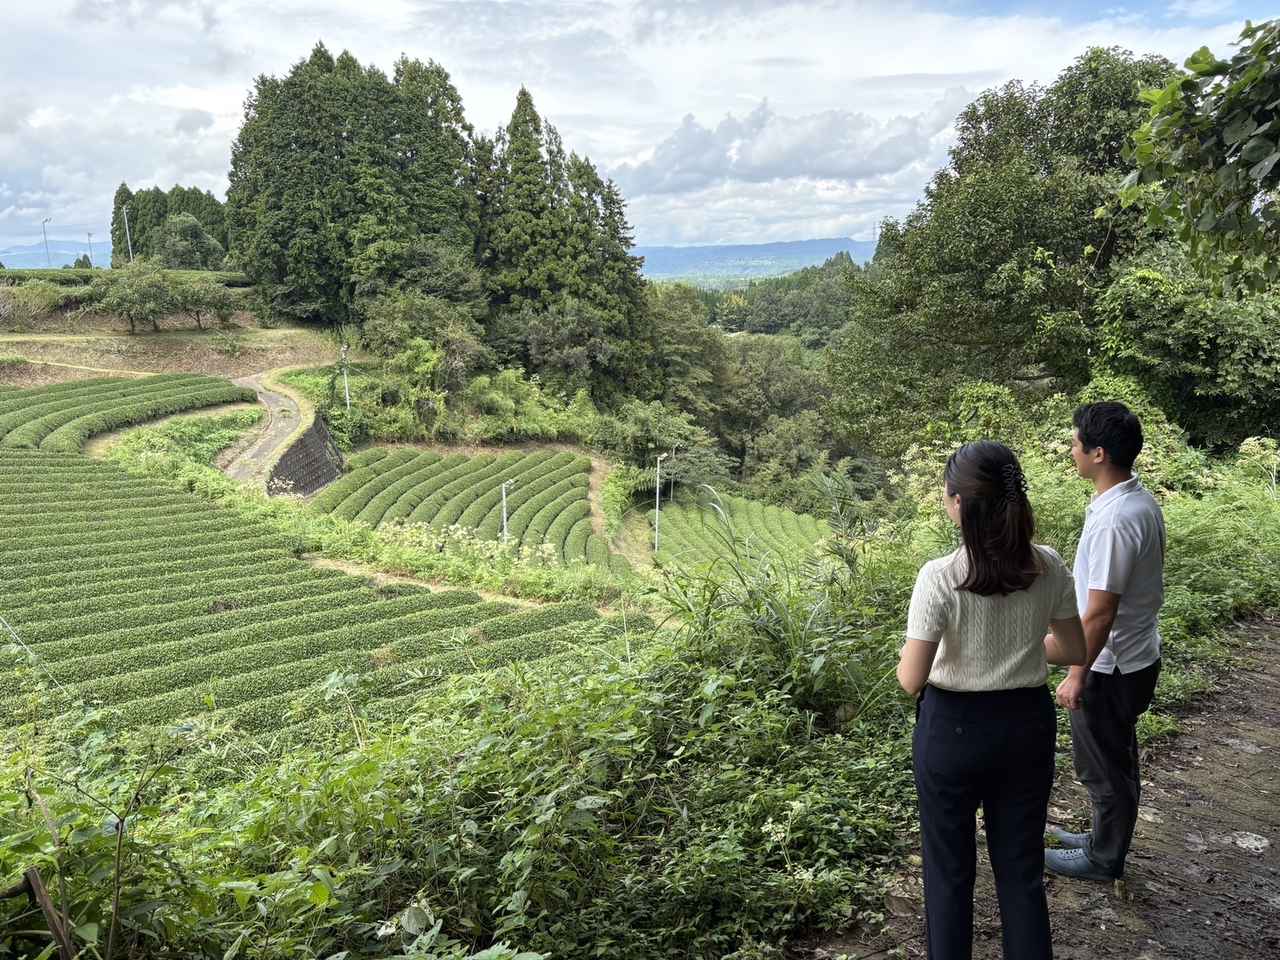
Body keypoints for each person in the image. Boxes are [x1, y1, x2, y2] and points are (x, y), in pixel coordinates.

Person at [898, 440, 1087, 960]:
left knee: (948, 872)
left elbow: (910, 679)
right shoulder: (1047, 565)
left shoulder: (940, 576)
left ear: (959, 503)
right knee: (1021, 870)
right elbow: (1073, 648)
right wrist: (1022, 648)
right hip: (1025, 725)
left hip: (951, 730)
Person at [1044, 402, 1165, 882]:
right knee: (1116, 755)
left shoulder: (1117, 519)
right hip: (1132, 656)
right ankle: (1101, 839)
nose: (1070, 450)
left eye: (1076, 443)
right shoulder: (1136, 501)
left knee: (1104, 767)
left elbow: (1100, 612)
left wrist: (1077, 673)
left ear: (1098, 453)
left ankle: (1103, 858)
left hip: (1110, 665)